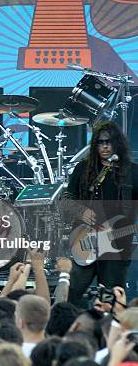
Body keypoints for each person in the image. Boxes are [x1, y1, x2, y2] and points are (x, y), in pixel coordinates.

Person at [62, 121, 138, 305]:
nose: (104, 146)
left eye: (109, 142)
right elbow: (65, 200)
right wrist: (81, 211)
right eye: (100, 142)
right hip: (84, 240)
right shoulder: (83, 168)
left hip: (117, 244)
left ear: (117, 144)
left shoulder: (132, 172)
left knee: (111, 298)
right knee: (72, 293)